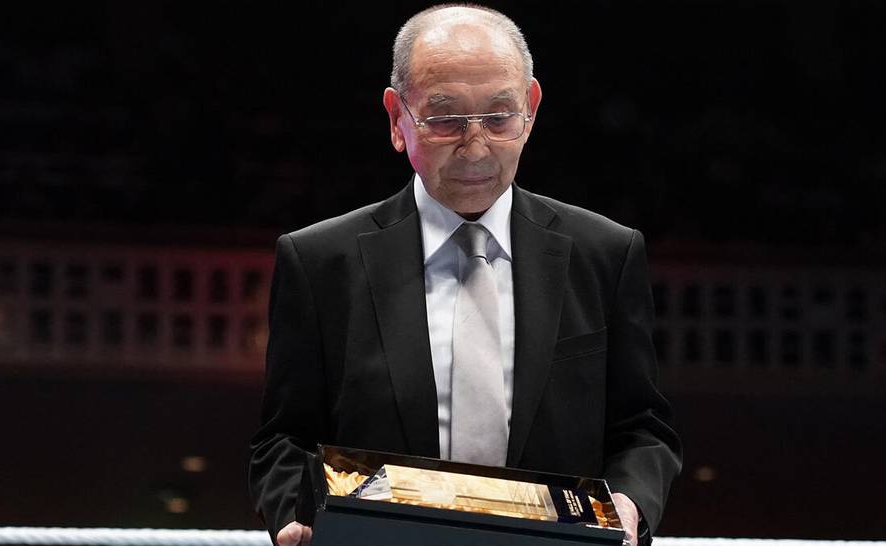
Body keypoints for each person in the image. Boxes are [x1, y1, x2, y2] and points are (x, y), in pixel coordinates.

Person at [248, 4, 682, 546]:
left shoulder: (606, 254)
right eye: (445, 119)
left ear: (530, 110)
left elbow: (642, 430)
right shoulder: (318, 263)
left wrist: (629, 502)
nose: (475, 147)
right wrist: (293, 515)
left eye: (498, 118)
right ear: (397, 119)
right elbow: (283, 441)